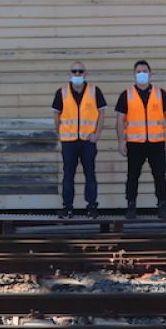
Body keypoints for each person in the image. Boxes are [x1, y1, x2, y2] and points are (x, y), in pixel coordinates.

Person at [116, 59, 166, 219]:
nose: (142, 74)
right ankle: (131, 207)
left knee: (160, 175)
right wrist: (121, 141)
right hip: (135, 144)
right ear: (134, 74)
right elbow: (120, 119)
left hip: (157, 143)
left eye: (145, 71)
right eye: (138, 71)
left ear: (150, 73)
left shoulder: (160, 93)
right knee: (133, 176)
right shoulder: (126, 95)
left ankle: (162, 206)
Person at [52, 60, 105, 218]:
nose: (77, 74)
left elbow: (101, 113)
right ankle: (67, 207)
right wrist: (61, 132)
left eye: (80, 71)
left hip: (88, 141)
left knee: (90, 175)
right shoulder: (62, 92)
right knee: (68, 176)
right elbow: (56, 114)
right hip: (69, 142)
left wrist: (97, 134)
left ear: (85, 74)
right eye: (74, 72)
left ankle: (92, 207)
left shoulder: (94, 91)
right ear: (69, 74)